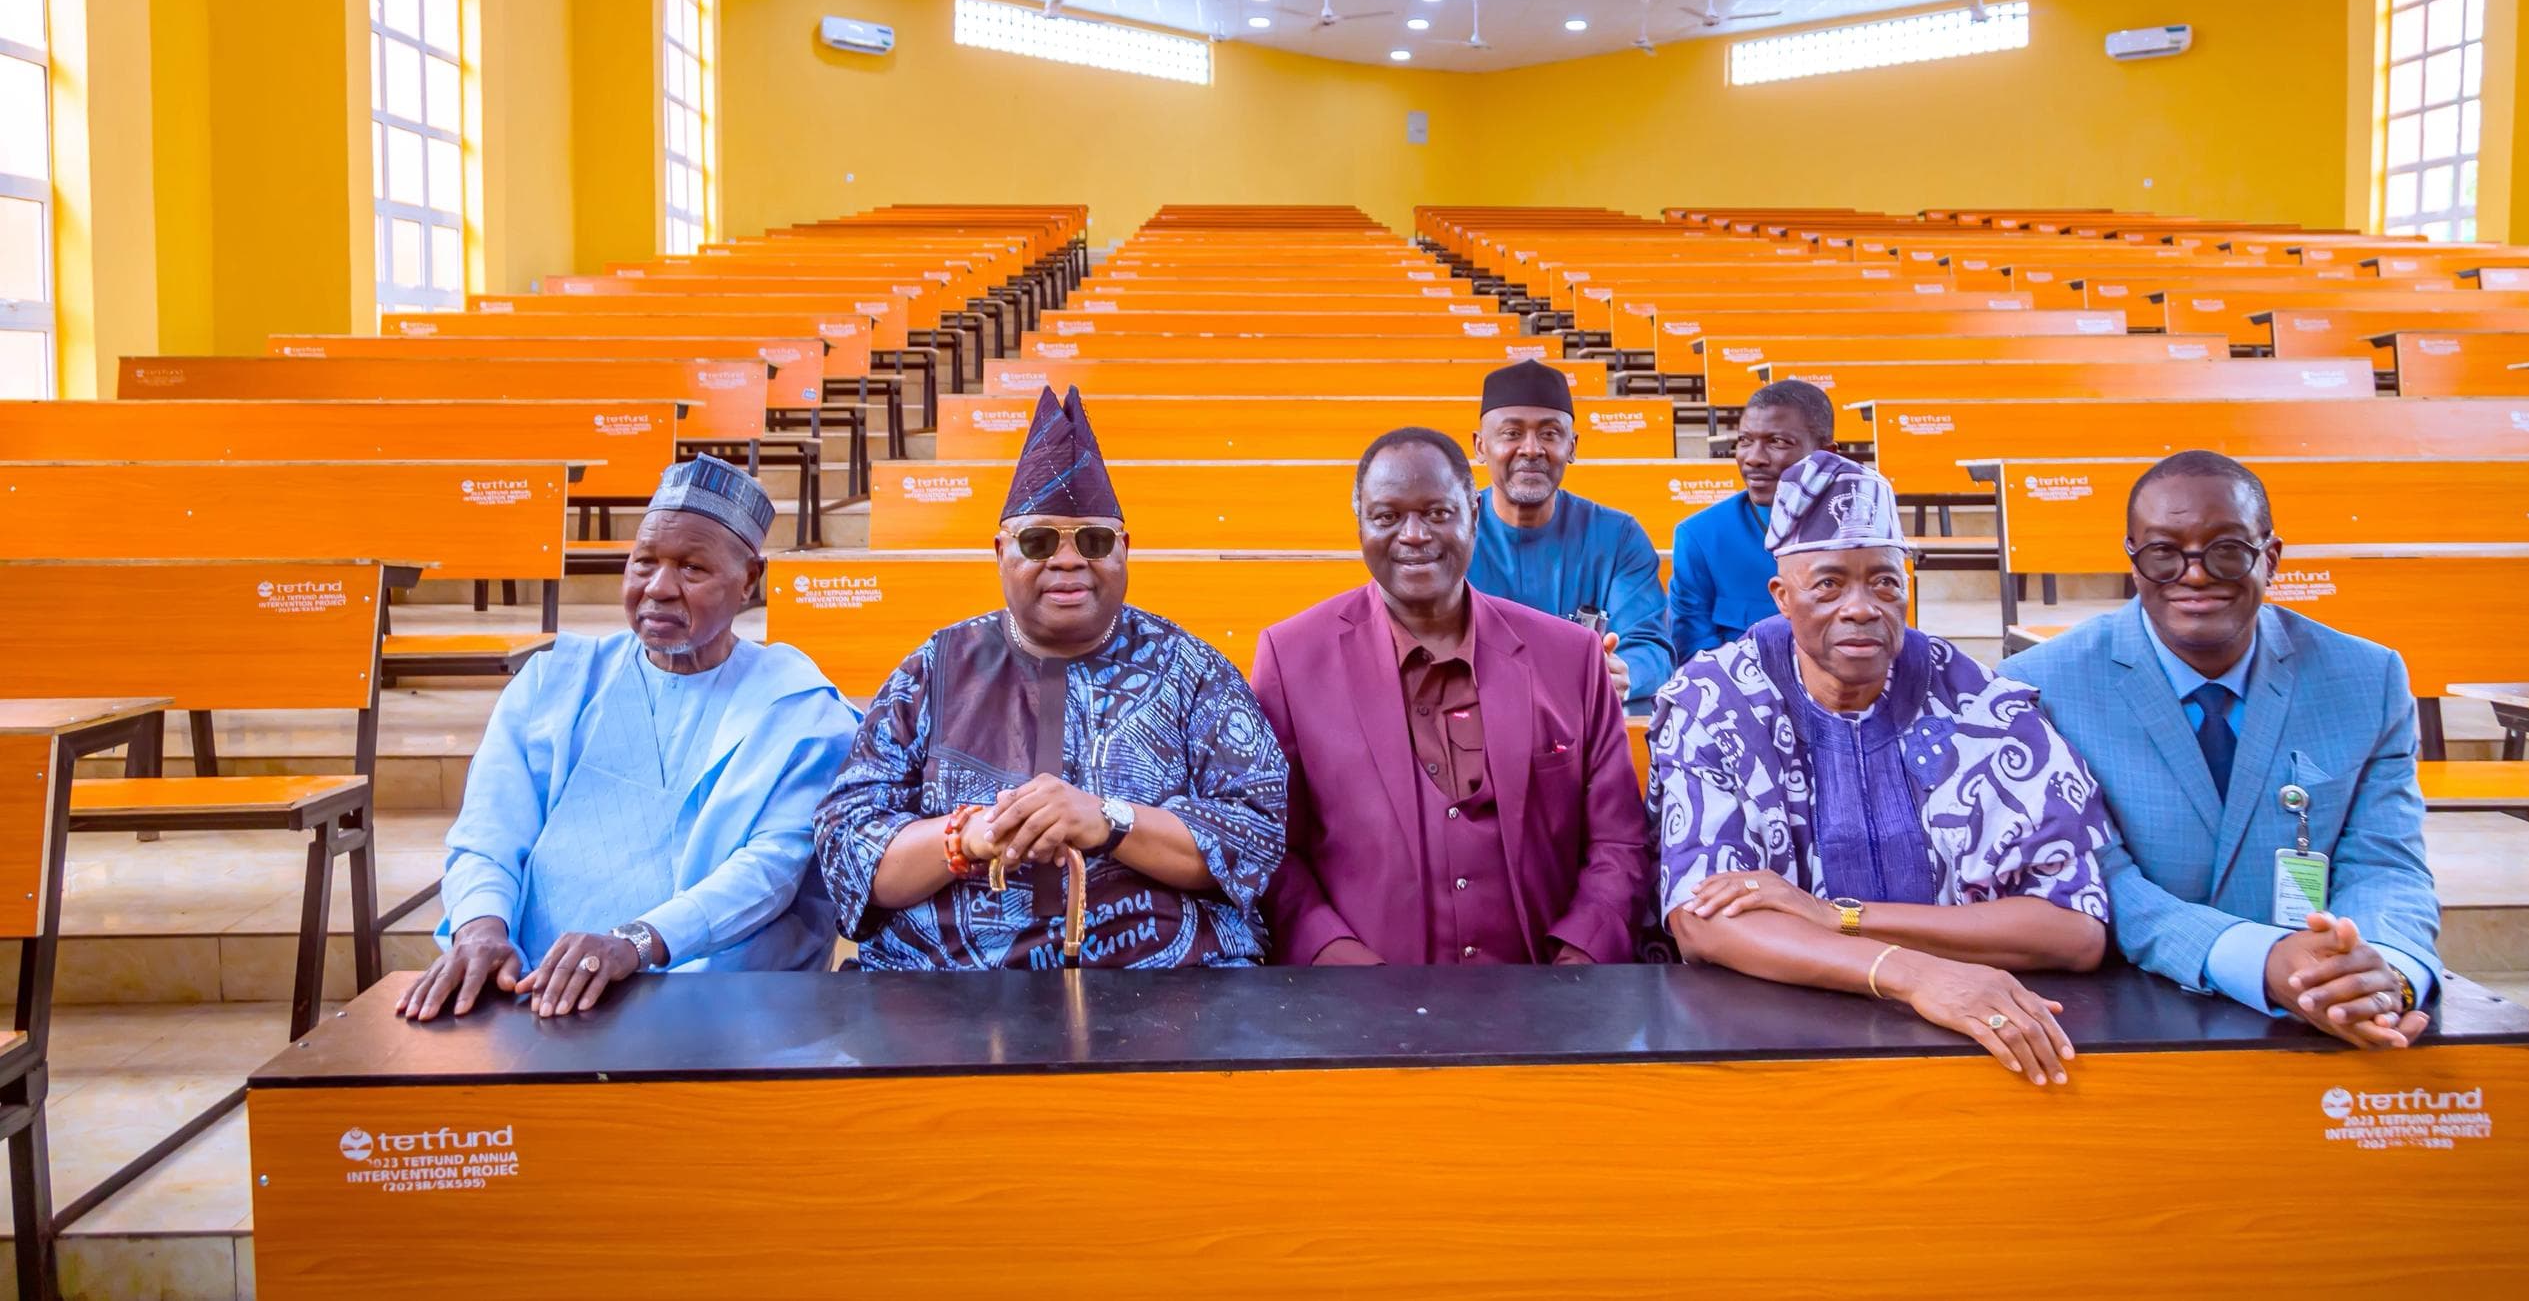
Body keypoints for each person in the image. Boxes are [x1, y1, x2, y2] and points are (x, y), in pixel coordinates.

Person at [1650, 450, 2112, 1086]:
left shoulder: (1981, 702)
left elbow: (2073, 927)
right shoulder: (1715, 701)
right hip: (1770, 1044)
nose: (1862, 607)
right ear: (1782, 597)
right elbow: (1703, 920)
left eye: (1885, 583)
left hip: (1981, 1041)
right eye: (1829, 584)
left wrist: (1837, 915)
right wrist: (1917, 975)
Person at [815, 386, 1289, 969]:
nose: (1068, 560)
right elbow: (847, 845)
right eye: (1038, 542)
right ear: (1000, 552)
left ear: (1124, 549)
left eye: (1094, 540)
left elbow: (1255, 839)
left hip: (1171, 989)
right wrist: (970, 836)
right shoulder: (933, 670)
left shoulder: (1193, 672)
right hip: (946, 991)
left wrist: (1109, 820)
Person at [1999, 450, 2442, 1048]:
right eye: (2163, 552)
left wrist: (2380, 973)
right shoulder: (2041, 687)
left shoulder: (2367, 678)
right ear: (2133, 561)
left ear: (2271, 557)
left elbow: (2385, 863)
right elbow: (2093, 880)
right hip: (2124, 1008)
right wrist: (2257, 959)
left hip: (2322, 1007)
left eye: (2227, 549)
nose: (2196, 574)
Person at [398, 457, 858, 1022]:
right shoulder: (555, 684)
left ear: (749, 581)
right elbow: (488, 834)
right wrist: (480, 929)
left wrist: (635, 943)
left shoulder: (801, 711)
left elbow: (770, 871)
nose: (658, 588)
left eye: (692, 568)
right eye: (644, 562)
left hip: (714, 1005)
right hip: (532, 988)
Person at [1254, 426, 1649, 966]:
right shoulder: (1291, 658)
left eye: (1438, 513)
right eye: (1387, 517)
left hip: (1551, 990)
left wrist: (1581, 957)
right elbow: (1272, 846)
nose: (1414, 535)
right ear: (1360, 523)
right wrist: (1337, 960)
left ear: (1475, 515)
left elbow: (1618, 842)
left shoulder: (1571, 657)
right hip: (1361, 999)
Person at [1465, 360, 1673, 708]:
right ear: (1480, 446)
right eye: (1512, 433)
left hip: (1582, 716)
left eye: (1549, 434)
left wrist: (1622, 674)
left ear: (1572, 446)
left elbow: (1649, 647)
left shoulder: (1618, 537)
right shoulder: (1449, 533)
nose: (1531, 449)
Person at [1667, 379, 1834, 660]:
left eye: (1778, 442)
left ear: (1827, 455)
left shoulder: (1862, 530)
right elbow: (1695, 660)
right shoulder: (1702, 536)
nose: (1754, 458)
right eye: (1745, 441)